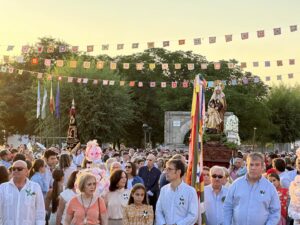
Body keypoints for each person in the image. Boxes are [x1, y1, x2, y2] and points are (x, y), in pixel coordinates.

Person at [223, 152, 281, 225]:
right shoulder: (236, 184)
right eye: (251, 164)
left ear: (263, 166)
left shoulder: (270, 187)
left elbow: (275, 212)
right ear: (246, 166)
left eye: (257, 165)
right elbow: (227, 207)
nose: (253, 168)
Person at [0, 160, 45, 224]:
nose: (16, 171)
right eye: (14, 169)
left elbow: (40, 211)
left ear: (26, 171)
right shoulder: (3, 188)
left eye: (19, 169)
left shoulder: (35, 187)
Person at [156, 159, 198, 225]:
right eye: (166, 169)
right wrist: (162, 223)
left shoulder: (190, 191)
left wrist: (178, 224)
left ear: (178, 172)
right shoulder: (164, 190)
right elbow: (158, 210)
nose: (166, 172)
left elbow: (193, 215)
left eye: (169, 169)